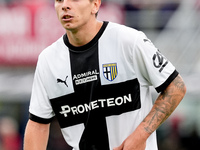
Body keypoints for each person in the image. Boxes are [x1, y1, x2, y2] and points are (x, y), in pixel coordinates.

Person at [23, 0, 186, 150]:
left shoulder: (130, 41)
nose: (65, 5)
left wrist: (140, 136)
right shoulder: (48, 60)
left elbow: (176, 87)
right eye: (59, 0)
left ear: (95, 4)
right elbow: (38, 123)